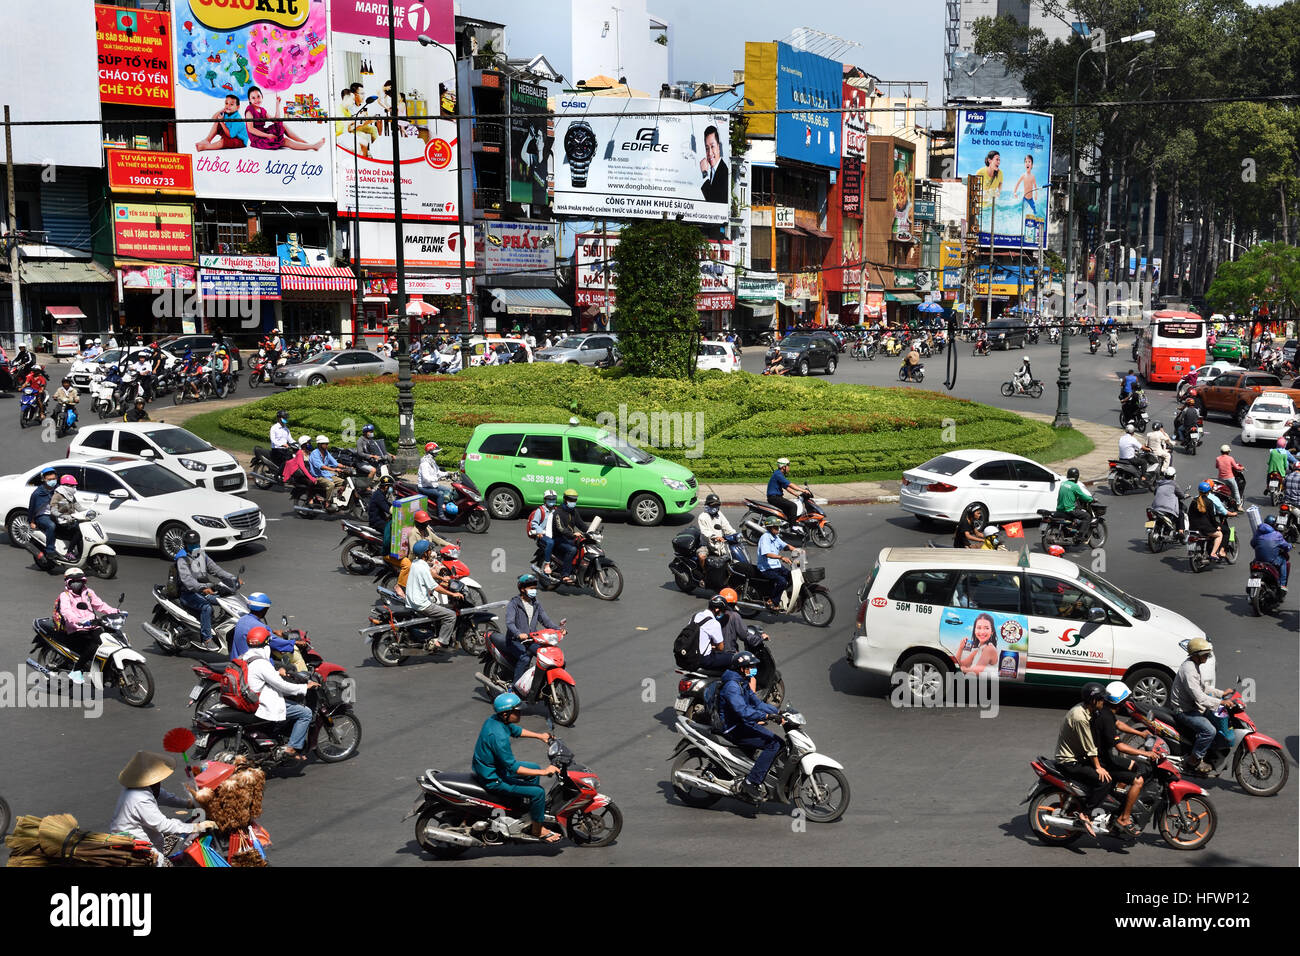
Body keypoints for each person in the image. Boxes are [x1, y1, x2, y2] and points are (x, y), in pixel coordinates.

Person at [472, 692, 562, 843]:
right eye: (517, 711)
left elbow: (516, 731)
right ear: (506, 713)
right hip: (493, 777)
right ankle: (537, 830)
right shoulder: (498, 736)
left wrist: (540, 736)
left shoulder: (496, 720)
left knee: (532, 768)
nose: (520, 713)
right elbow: (513, 768)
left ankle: (524, 810)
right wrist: (545, 771)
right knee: (538, 792)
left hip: (494, 768)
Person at [110, 751, 215, 866]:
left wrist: (188, 804)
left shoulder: (146, 788)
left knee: (178, 833)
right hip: (136, 845)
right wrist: (196, 827)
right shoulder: (140, 798)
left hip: (147, 835)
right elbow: (163, 825)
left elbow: (164, 796)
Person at [715, 651, 783, 802]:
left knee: (778, 743)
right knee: (774, 744)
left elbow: (757, 703)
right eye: (749, 666)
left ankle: (751, 772)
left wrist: (779, 712)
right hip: (733, 728)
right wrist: (766, 716)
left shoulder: (742, 682)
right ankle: (751, 782)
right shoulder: (732, 686)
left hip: (742, 723)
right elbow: (743, 711)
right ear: (740, 668)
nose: (753, 669)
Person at [242, 626, 318, 761]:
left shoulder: (245, 657)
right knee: (305, 713)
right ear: (266, 644)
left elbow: (262, 676)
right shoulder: (261, 663)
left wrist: (277, 673)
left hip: (250, 697)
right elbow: (283, 686)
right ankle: (291, 747)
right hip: (263, 702)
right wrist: (304, 687)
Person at [1093, 682, 1155, 837]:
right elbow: (1120, 746)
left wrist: (1140, 734)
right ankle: (1124, 818)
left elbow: (1119, 724)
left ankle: (1117, 797)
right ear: (1120, 701)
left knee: (1137, 766)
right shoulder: (1106, 717)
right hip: (1104, 761)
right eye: (1125, 699)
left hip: (1105, 756)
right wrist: (1145, 754)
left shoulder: (1106, 711)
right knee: (1138, 780)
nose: (1127, 701)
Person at [1053, 682, 1113, 834]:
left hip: (1079, 756)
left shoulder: (1089, 710)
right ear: (1093, 701)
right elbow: (1089, 747)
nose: (1103, 702)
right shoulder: (1080, 717)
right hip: (1070, 761)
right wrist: (1098, 767)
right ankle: (1085, 813)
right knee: (1104, 781)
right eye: (1101, 699)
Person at [1171, 638, 1233, 775]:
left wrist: (1222, 693)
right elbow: (1199, 697)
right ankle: (1194, 760)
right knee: (1209, 730)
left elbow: (1203, 688)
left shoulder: (1194, 665)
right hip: (1184, 710)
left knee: (1214, 721)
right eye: (1205, 654)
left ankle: (1208, 751)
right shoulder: (1189, 670)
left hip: (1192, 706)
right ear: (1196, 654)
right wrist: (1221, 702)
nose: (1207, 657)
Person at [52, 567, 119, 684]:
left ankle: (105, 670)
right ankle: (76, 670)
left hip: (92, 625)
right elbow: (66, 611)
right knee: (94, 647)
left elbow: (100, 605)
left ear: (83, 581)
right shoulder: (65, 596)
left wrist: (115, 611)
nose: (76, 583)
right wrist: (77, 620)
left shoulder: (88, 592)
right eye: (73, 581)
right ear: (68, 582)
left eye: (79, 580)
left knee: (109, 641)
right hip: (75, 628)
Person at [175, 530, 240, 651]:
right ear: (185, 545)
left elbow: (216, 570)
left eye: (196, 544)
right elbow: (188, 580)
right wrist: (203, 588)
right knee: (207, 607)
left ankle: (216, 626)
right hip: (188, 594)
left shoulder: (202, 555)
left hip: (204, 590)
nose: (195, 547)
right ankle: (207, 639)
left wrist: (233, 579)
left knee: (225, 599)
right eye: (191, 545)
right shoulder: (182, 559)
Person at [503, 573, 562, 688]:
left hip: (531, 640)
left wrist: (558, 629)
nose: (534, 591)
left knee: (547, 655)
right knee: (524, 658)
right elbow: (509, 623)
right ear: (522, 589)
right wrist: (518, 634)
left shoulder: (536, 603)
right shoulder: (514, 603)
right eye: (531, 588)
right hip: (515, 640)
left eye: (535, 588)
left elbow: (546, 621)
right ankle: (515, 687)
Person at [403, 539, 457, 649]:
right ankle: (441, 641)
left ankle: (434, 633)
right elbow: (436, 588)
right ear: (425, 553)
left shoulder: (415, 563)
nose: (431, 552)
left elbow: (430, 573)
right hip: (421, 604)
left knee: (440, 606)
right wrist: (452, 594)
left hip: (412, 600)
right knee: (451, 615)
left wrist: (442, 578)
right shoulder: (422, 567)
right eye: (429, 550)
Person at [244, 86, 324, 151]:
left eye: (258, 96)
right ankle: (312, 146)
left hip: (264, 133)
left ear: (262, 97)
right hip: (257, 139)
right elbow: (251, 129)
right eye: (253, 98)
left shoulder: (262, 110)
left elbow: (276, 120)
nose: (257, 99)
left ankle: (306, 144)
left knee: (282, 124)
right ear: (249, 100)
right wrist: (267, 135)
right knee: (284, 141)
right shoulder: (249, 111)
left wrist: (277, 104)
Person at [756, 515, 799, 607]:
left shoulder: (775, 537)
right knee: (782, 581)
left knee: (792, 576)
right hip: (766, 568)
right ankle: (772, 601)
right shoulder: (765, 537)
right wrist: (781, 557)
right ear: (770, 528)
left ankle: (781, 594)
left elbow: (786, 546)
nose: (778, 529)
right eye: (775, 527)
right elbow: (767, 554)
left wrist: (798, 550)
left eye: (778, 527)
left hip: (776, 566)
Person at [1188, 481, 1235, 562]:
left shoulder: (1194, 501)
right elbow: (1212, 518)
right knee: (1221, 533)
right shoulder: (1209, 502)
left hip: (1193, 527)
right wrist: (1217, 526)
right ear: (1209, 491)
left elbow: (1189, 514)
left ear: (1199, 491)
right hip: (1205, 527)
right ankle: (1215, 553)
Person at [552, 489, 590, 583]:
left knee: (585, 547)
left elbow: (581, 524)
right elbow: (560, 529)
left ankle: (578, 570)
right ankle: (565, 574)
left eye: (574, 500)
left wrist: (591, 531)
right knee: (572, 550)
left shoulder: (573, 511)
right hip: (559, 539)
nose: (573, 502)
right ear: (565, 499)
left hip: (569, 538)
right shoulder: (558, 512)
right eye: (570, 500)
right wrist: (573, 534)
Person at [48, 475, 89, 555]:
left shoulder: (70, 496)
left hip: (70, 521)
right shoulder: (57, 496)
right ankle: (69, 553)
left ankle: (81, 554)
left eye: (75, 486)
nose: (74, 488)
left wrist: (89, 511)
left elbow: (79, 507)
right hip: (60, 523)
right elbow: (53, 511)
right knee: (78, 533)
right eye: (72, 486)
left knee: (83, 532)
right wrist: (64, 516)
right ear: (65, 486)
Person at [28, 466, 60, 567]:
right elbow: (32, 508)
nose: (52, 481)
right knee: (51, 526)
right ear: (43, 480)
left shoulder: (58, 489)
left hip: (56, 514)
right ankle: (50, 550)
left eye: (54, 479)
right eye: (49, 480)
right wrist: (31, 522)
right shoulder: (37, 493)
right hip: (42, 516)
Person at [696, 493, 736, 572]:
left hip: (720, 543)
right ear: (707, 505)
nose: (715, 507)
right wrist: (714, 536)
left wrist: (735, 535)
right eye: (713, 505)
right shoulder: (702, 517)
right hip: (707, 544)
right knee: (702, 556)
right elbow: (704, 531)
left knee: (732, 556)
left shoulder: (719, 514)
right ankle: (704, 573)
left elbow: (726, 526)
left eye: (716, 505)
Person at [1251, 515, 1291, 591]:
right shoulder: (1277, 535)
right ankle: (1282, 585)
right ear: (1273, 524)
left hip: (1259, 560)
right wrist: (1290, 546)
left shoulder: (1258, 533)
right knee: (1283, 561)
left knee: (1253, 563)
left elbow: (1253, 544)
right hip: (1271, 561)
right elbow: (1286, 546)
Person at [766, 457, 810, 525]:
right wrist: (803, 490)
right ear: (783, 467)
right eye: (788, 466)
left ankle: (786, 525)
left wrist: (797, 495)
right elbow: (790, 485)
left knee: (788, 511)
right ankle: (793, 527)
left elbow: (786, 487)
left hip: (775, 498)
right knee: (793, 506)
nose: (789, 468)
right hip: (774, 498)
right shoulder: (778, 475)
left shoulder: (778, 474)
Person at [417, 441, 453, 516]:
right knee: (440, 495)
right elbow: (426, 478)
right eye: (435, 452)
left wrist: (448, 473)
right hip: (425, 487)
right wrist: (438, 479)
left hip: (432, 485)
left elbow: (438, 472)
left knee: (449, 490)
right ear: (431, 452)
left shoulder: (432, 462)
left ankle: (447, 509)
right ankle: (441, 514)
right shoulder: (424, 464)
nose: (437, 453)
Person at [526, 489, 558, 575]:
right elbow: (534, 523)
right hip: (543, 535)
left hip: (553, 534)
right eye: (549, 499)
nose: (551, 501)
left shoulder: (556, 510)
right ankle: (547, 564)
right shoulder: (540, 511)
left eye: (553, 499)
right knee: (550, 543)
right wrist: (539, 532)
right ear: (545, 500)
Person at [1056, 466, 1093, 537]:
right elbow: (1083, 496)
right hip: (1069, 510)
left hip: (1059, 509)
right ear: (1076, 477)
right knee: (1087, 516)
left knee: (1076, 511)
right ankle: (1080, 536)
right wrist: (1092, 499)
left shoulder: (1063, 484)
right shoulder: (1075, 486)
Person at [307, 435, 343, 505]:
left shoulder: (326, 452)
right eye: (325, 444)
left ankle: (334, 497)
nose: (327, 445)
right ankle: (327, 502)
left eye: (327, 444)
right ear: (320, 444)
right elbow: (321, 466)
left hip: (326, 474)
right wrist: (334, 469)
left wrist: (346, 467)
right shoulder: (315, 453)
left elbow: (335, 463)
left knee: (343, 482)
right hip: (317, 476)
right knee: (331, 485)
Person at [699, 124, 729, 203]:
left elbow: (713, 201)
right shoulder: (713, 171)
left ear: (718, 147)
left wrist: (704, 174)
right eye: (707, 148)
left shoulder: (724, 172)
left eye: (712, 146)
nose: (709, 153)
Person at [1214, 444, 1245, 508]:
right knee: (1236, 491)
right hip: (1229, 478)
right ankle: (1239, 505)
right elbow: (1236, 467)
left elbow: (1217, 466)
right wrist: (1242, 468)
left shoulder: (1218, 458)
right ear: (1228, 452)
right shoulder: (1230, 458)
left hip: (1220, 479)